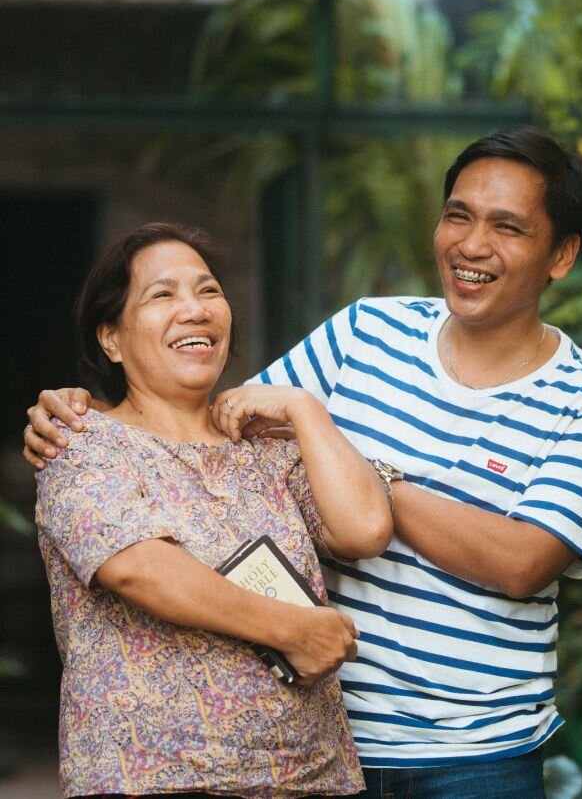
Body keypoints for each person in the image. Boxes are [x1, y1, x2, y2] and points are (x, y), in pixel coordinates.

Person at [24, 128, 582, 799]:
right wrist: (82, 410)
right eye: (458, 215)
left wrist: (338, 444)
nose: (472, 244)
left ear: (561, 254)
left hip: (475, 751)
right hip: (335, 742)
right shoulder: (364, 331)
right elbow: (207, 418)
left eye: (507, 227)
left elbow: (523, 562)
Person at [31, 221, 394, 799]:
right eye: (162, 294)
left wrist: (305, 410)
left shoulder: (265, 450)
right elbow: (137, 567)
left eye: (208, 291)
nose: (194, 309)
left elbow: (366, 529)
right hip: (155, 779)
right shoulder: (80, 443)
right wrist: (297, 630)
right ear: (111, 340)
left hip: (309, 777)